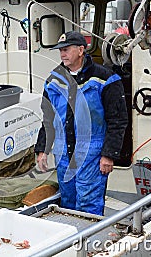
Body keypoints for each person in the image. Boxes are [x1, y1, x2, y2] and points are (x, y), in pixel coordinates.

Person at [35, 31, 128, 215]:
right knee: (67, 202)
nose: (62, 54)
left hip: (92, 154)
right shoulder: (53, 81)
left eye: (66, 49)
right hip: (63, 154)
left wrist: (109, 154)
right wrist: (42, 150)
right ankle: (72, 241)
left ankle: (90, 243)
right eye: (60, 50)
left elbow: (117, 120)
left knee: (88, 204)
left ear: (80, 50)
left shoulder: (105, 79)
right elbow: (48, 118)